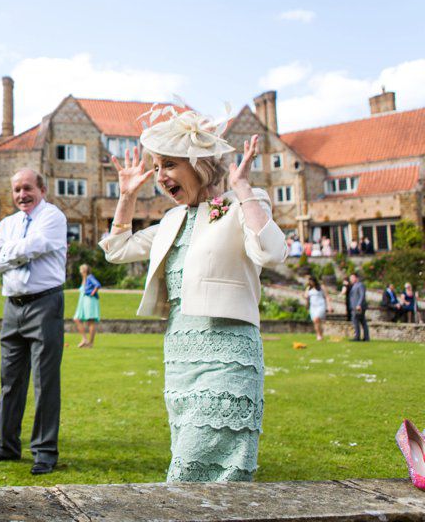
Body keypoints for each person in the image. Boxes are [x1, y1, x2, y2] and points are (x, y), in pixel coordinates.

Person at [100, 106, 287, 483]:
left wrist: (243, 190)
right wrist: (126, 196)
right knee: (189, 453)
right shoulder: (171, 221)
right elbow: (116, 249)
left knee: (198, 466)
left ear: (198, 164)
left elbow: (271, 251)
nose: (160, 176)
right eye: (156, 168)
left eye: (168, 164)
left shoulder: (242, 205)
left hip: (229, 356)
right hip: (181, 356)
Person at [0, 168, 66, 476]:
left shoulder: (53, 217)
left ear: (41, 189)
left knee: (44, 381)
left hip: (45, 304)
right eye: (16, 190)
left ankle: (44, 451)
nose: (21, 195)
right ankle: (6, 446)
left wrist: (10, 252)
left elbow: (37, 246)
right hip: (12, 307)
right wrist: (19, 252)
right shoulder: (8, 223)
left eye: (27, 188)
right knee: (9, 381)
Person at [73, 263, 101, 348]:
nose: (80, 272)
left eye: (81, 270)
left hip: (90, 301)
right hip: (83, 301)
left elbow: (97, 285)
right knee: (76, 319)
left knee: (90, 321)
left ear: (84, 270)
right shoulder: (85, 278)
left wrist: (93, 292)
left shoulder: (90, 277)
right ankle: (85, 339)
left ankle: (90, 343)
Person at [305, 275, 330, 341]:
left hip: (321, 305)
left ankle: (319, 335)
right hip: (313, 307)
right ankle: (319, 334)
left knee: (317, 319)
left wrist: (329, 306)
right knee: (316, 322)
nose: (310, 283)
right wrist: (306, 305)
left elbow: (327, 297)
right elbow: (306, 297)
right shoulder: (308, 288)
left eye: (311, 281)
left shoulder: (321, 287)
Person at [348, 272, 370, 342]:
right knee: (362, 321)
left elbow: (362, 295)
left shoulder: (360, 285)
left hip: (358, 307)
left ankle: (357, 337)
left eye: (352, 278)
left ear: (356, 278)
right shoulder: (354, 285)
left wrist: (359, 304)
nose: (350, 279)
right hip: (355, 306)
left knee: (356, 321)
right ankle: (366, 337)